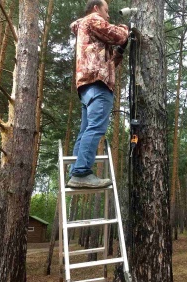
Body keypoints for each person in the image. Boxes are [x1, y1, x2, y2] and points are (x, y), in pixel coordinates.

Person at [67, 0, 129, 188]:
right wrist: (126, 28)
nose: (108, 15)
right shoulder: (93, 19)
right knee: (95, 128)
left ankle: (76, 171)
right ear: (96, 8)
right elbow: (118, 35)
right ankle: (81, 172)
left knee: (86, 130)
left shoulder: (89, 31)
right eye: (107, 11)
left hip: (89, 84)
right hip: (97, 84)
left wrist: (119, 52)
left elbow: (108, 62)